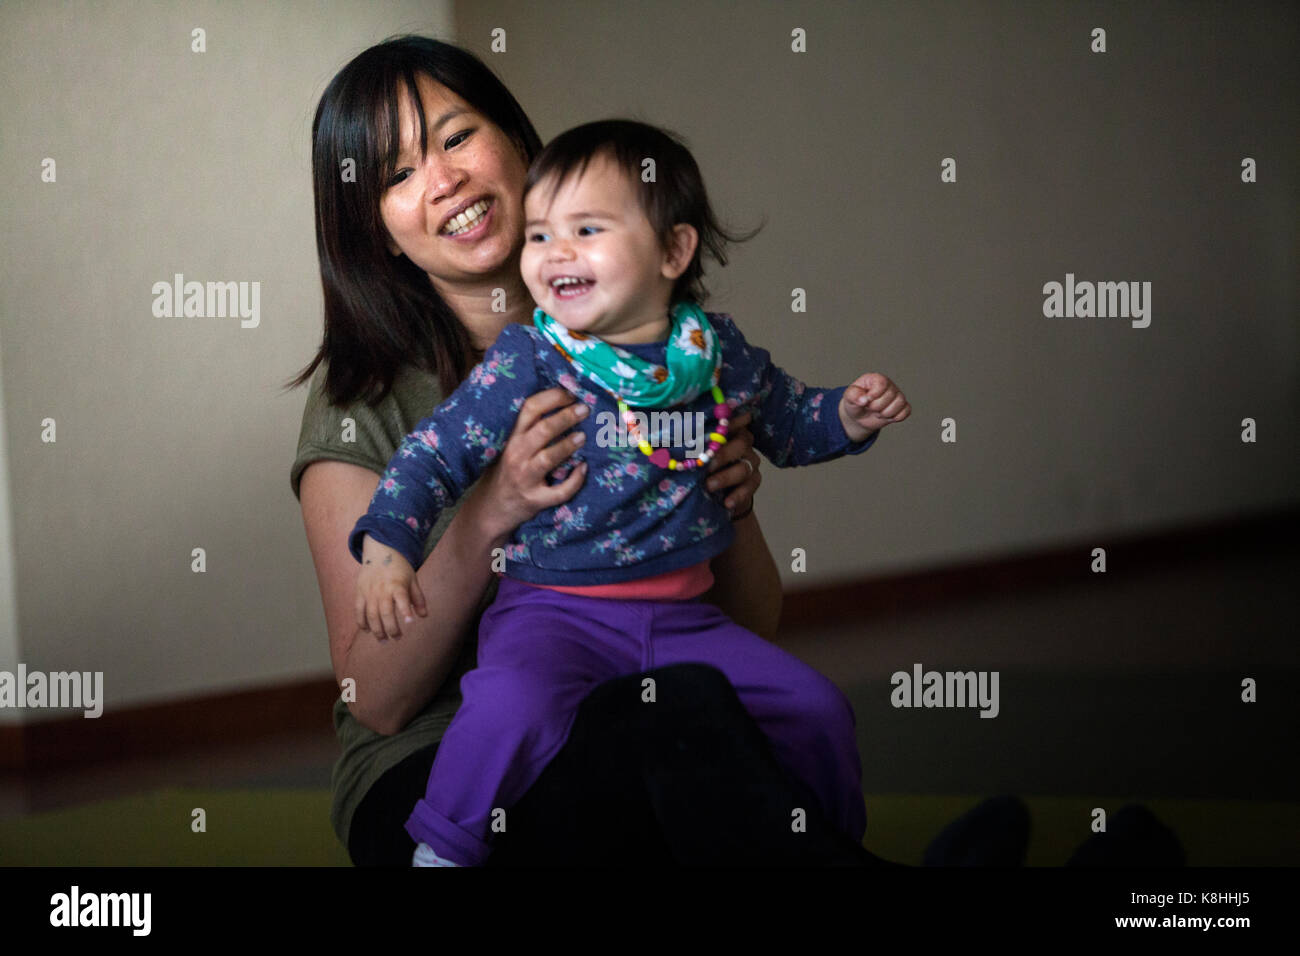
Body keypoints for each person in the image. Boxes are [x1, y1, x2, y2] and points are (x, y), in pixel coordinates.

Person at [287, 35, 882, 867]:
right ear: (378, 231)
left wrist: (726, 497)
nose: (444, 179)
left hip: (643, 692)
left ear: (520, 147)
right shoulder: (362, 403)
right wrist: (494, 507)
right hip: (435, 768)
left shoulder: (654, 339)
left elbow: (752, 621)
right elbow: (378, 702)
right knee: (675, 729)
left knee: (716, 713)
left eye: (457, 137)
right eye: (397, 174)